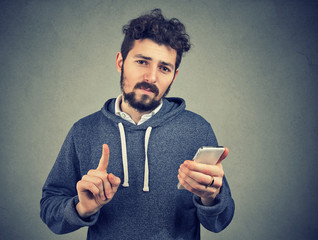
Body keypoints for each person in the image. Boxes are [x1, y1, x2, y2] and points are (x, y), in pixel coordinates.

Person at [40, 9, 235, 240]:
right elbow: (50, 209)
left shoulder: (197, 129)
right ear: (120, 62)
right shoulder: (84, 131)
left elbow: (219, 222)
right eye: (142, 62)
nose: (151, 77)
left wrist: (210, 198)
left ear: (174, 75)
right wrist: (82, 208)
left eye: (164, 68)